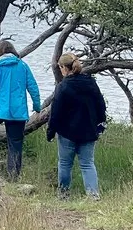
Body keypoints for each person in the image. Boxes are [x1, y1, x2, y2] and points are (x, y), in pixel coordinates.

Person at [0, 41, 41, 179]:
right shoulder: (22, 66)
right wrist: (37, 105)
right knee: (15, 143)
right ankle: (13, 176)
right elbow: (33, 86)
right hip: (17, 110)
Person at [46, 52, 108, 199]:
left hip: (67, 132)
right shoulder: (91, 82)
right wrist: (101, 123)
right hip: (89, 131)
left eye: (60, 67)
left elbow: (55, 112)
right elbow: (101, 104)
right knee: (87, 164)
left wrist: (50, 131)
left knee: (65, 163)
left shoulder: (63, 86)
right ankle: (93, 195)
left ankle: (63, 194)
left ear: (63, 68)